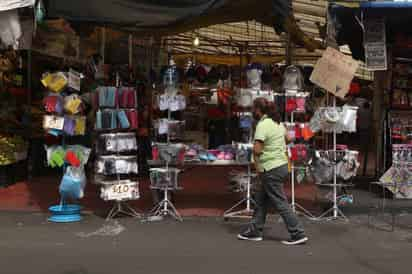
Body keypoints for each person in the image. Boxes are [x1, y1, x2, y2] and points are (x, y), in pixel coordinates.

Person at [237, 97, 308, 245]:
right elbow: (288, 139)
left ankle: (298, 233)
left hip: (270, 168)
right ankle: (255, 230)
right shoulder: (277, 123)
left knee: (280, 202)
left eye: (253, 109)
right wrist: (275, 144)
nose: (252, 112)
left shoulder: (262, 125)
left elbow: (257, 149)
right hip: (281, 165)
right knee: (261, 200)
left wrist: (256, 159)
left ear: (258, 110)